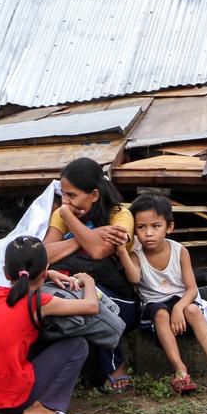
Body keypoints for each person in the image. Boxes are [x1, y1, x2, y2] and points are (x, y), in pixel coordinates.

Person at [0, 235, 98, 414]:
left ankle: (7, 412)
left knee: (27, 341)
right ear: (43, 272)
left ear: (5, 272)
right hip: (13, 396)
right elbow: (91, 306)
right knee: (77, 345)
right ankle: (41, 409)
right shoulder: (39, 302)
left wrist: (47, 273)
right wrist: (88, 281)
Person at [118, 194, 207, 396]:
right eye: (141, 227)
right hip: (154, 308)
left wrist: (180, 308)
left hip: (181, 302)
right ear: (134, 231)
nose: (148, 233)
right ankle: (180, 370)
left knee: (193, 309)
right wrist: (121, 251)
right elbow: (134, 278)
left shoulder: (179, 251)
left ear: (169, 227)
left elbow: (191, 289)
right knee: (162, 314)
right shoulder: (136, 255)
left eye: (156, 226)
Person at [43, 157, 138, 393]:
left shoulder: (121, 216)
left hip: (121, 299)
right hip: (76, 288)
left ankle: (115, 366)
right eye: (63, 194)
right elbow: (43, 255)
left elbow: (97, 251)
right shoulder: (63, 214)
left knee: (93, 300)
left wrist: (68, 220)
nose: (66, 201)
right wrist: (78, 235)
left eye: (72, 195)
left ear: (94, 195)